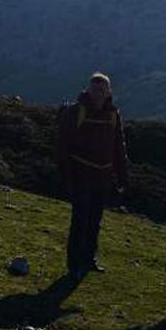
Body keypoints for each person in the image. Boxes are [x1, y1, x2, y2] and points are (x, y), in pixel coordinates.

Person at [55, 73, 130, 277]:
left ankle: (88, 259)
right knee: (80, 220)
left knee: (95, 220)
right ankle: (74, 264)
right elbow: (63, 146)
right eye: (96, 89)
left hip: (102, 177)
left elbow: (118, 146)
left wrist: (123, 176)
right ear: (88, 90)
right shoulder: (76, 112)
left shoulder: (113, 114)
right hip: (81, 175)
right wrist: (66, 177)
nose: (99, 93)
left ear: (109, 92)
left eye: (103, 89)